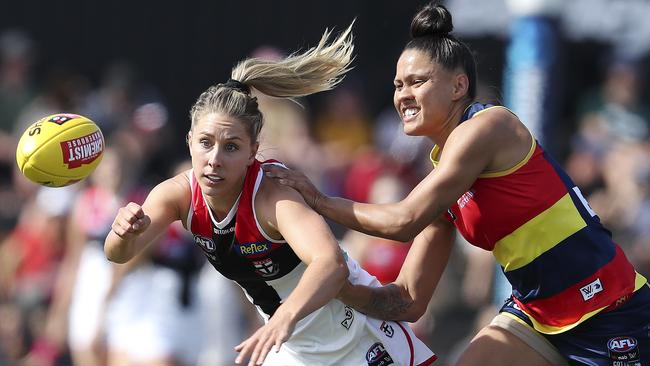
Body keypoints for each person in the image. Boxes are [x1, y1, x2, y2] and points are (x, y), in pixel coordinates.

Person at [263, 3, 650, 365]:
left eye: (417, 81)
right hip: (538, 315)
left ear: (458, 86)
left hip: (611, 312)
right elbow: (408, 300)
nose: (403, 96)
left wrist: (318, 200)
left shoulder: (488, 126)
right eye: (398, 85)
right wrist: (337, 289)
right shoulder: (443, 184)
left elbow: (403, 221)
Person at [104, 24, 435, 366]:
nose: (215, 159)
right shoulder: (177, 195)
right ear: (189, 141)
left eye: (231, 147)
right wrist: (122, 232)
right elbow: (117, 254)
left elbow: (331, 265)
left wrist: (282, 318)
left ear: (253, 152)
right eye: (205, 143)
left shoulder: (272, 194)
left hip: (356, 339)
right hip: (292, 348)